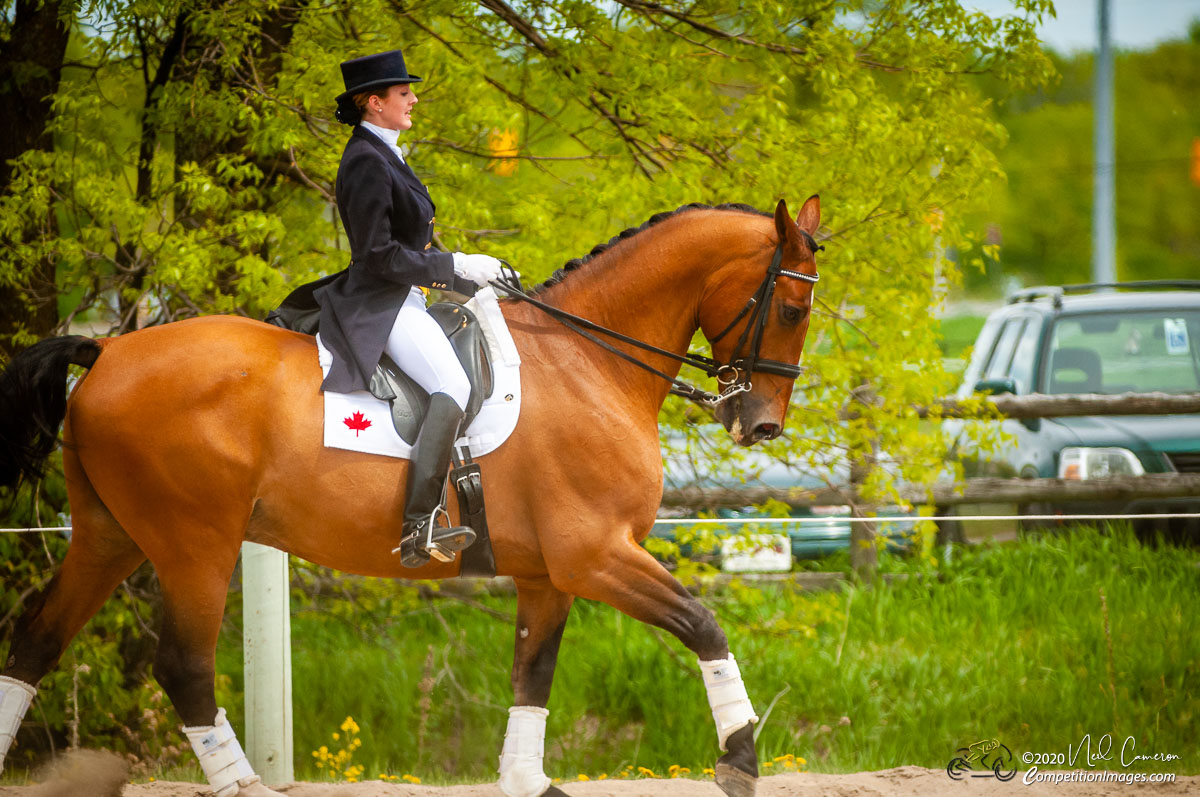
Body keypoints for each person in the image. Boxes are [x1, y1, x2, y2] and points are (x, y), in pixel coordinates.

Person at [317, 49, 503, 567]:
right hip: (380, 301)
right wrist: (456, 264)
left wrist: (467, 275)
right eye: (404, 94)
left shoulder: (385, 152)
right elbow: (377, 255)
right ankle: (419, 524)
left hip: (406, 295)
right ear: (374, 103)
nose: (413, 99)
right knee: (456, 386)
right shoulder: (364, 162)